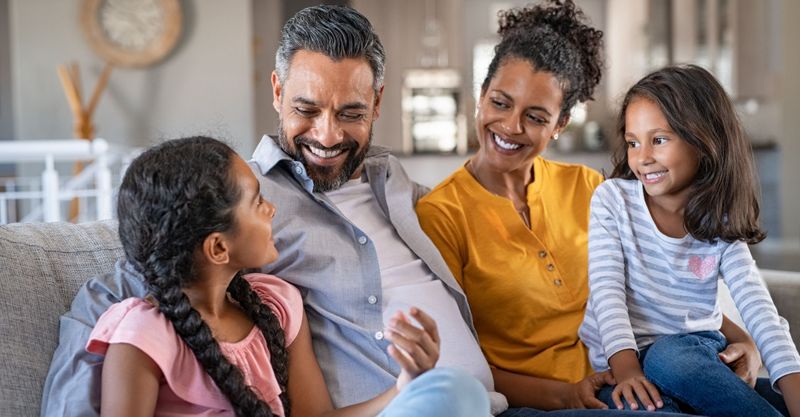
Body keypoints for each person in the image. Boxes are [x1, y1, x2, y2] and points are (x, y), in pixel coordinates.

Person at [42, 5, 498, 416]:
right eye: (307, 109)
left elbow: (471, 213)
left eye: (351, 114)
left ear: (377, 104)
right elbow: (121, 287)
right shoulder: (239, 202)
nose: (327, 135)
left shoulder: (390, 178)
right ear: (278, 91)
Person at [416, 1, 761, 414]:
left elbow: (663, 284)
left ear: (560, 124)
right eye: (500, 102)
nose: (510, 127)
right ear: (481, 96)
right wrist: (566, 394)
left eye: (536, 116)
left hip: (643, 375)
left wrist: (745, 339)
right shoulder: (441, 215)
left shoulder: (590, 188)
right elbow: (459, 363)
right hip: (549, 403)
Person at [90, 136, 486, 416]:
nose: (272, 211)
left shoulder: (276, 304)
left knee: (455, 389)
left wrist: (405, 385)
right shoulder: (143, 336)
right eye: (258, 202)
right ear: (218, 248)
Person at [577, 65, 800, 416]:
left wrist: (793, 383)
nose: (642, 157)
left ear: (704, 140)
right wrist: (627, 371)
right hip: (626, 367)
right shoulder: (613, 201)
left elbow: (759, 309)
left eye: (659, 139)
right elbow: (607, 294)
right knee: (647, 402)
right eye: (633, 142)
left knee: (670, 357)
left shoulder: (719, 221)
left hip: (692, 355)